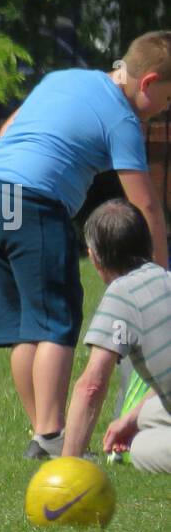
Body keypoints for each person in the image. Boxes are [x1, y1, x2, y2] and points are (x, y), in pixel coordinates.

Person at [0, 31, 171, 460]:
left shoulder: (64, 79)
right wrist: (161, 276)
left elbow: (8, 129)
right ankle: (50, 434)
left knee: (26, 326)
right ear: (149, 83)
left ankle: (44, 437)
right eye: (169, 100)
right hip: (33, 202)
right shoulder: (122, 120)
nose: (166, 111)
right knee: (56, 322)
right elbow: (146, 205)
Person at [62, 199, 171, 472]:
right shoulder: (165, 278)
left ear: (95, 257)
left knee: (141, 447)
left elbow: (91, 386)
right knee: (143, 419)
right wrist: (129, 421)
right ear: (149, 245)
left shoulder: (122, 294)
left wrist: (65, 471)